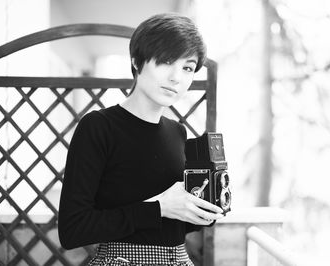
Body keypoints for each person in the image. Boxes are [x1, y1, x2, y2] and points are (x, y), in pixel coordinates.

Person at [58, 13, 225, 266]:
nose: (176, 78)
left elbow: (169, 227)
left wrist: (201, 210)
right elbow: (73, 230)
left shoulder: (177, 132)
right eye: (166, 61)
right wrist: (158, 207)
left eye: (187, 68)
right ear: (136, 61)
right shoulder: (98, 127)